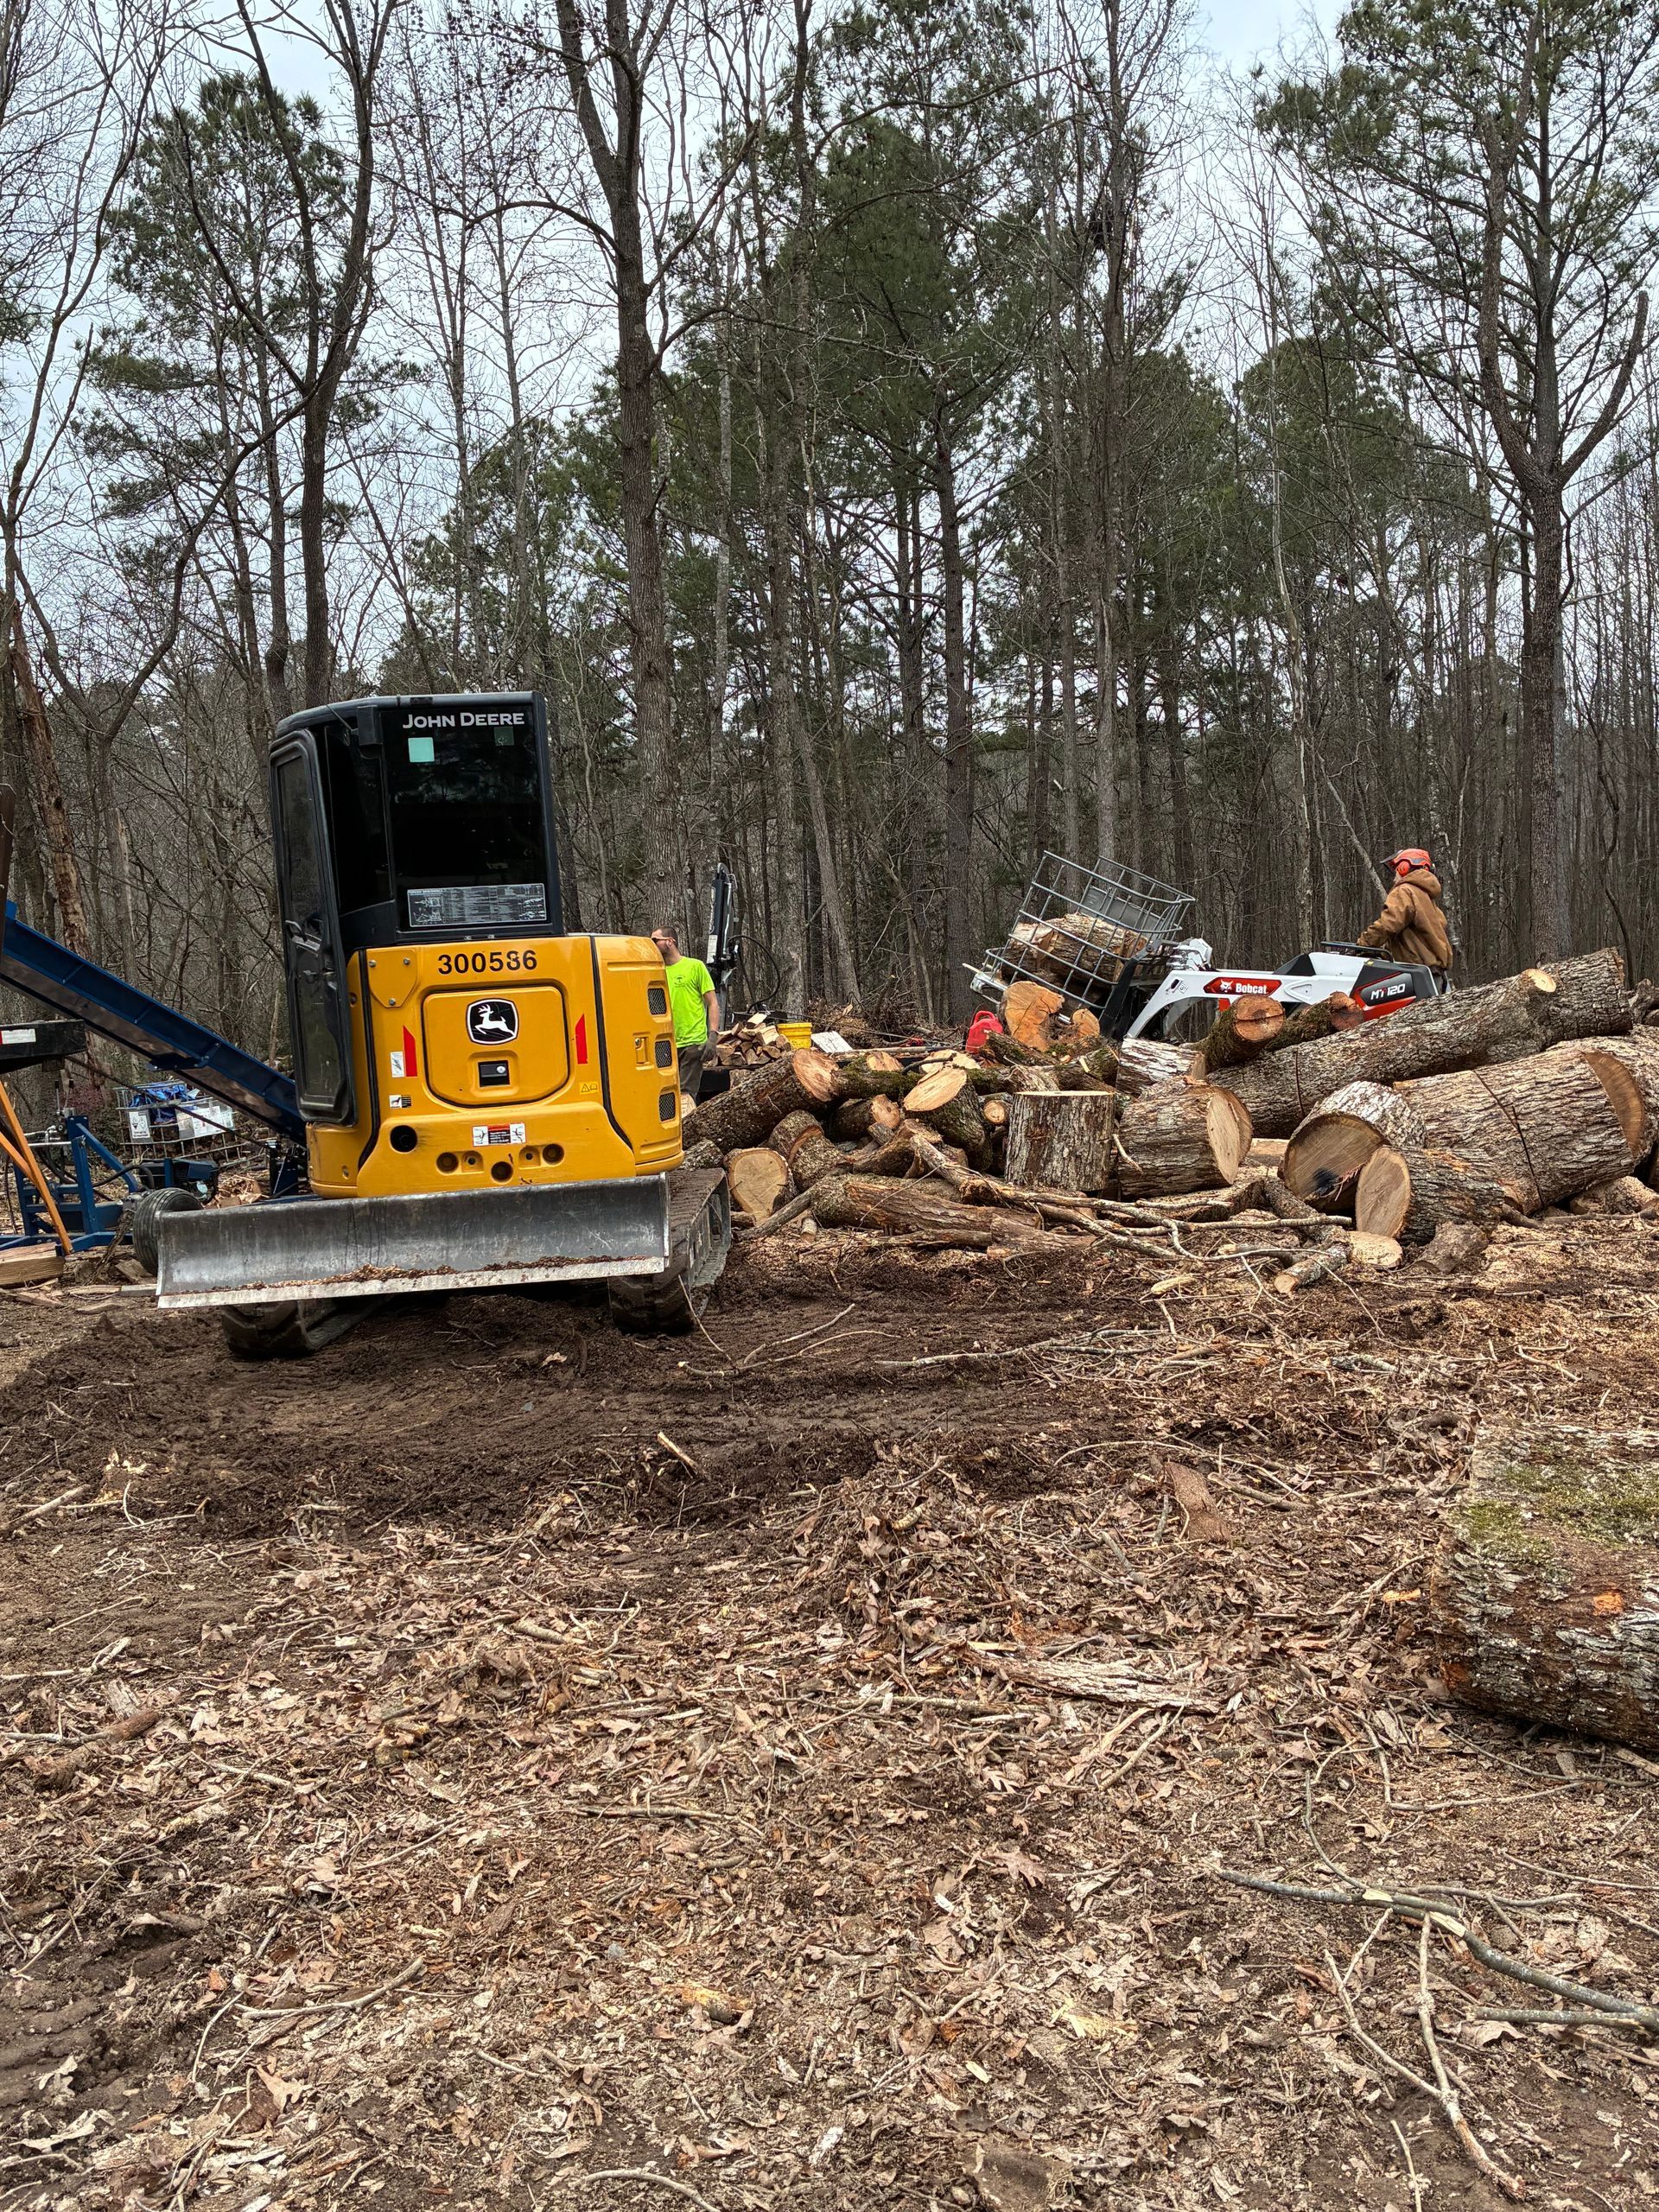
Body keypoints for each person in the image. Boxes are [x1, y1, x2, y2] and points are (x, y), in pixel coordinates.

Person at [1356, 847, 1452, 974]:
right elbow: (1410, 937)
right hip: (1432, 971)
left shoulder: (1405, 890)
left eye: (1396, 870)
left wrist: (1363, 944)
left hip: (1414, 970)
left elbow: (1389, 924)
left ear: (1404, 867)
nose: (1394, 877)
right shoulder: (1425, 896)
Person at [651, 926, 720, 1099]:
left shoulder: (694, 967)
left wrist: (712, 1036)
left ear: (670, 942)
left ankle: (686, 1126)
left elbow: (712, 1003)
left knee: (685, 1096)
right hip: (665, 1043)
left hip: (692, 1043)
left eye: (655, 940)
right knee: (666, 1095)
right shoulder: (655, 971)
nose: (652, 944)